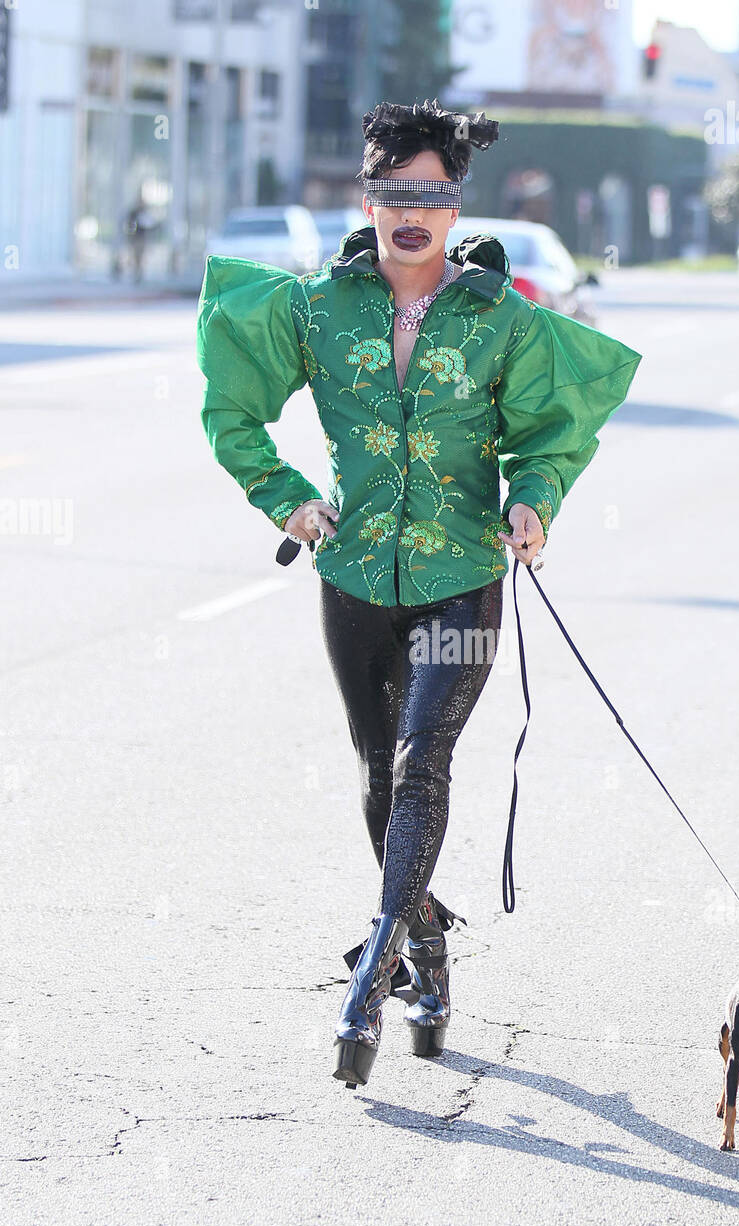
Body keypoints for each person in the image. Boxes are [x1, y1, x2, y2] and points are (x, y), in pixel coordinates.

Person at [195, 99, 641, 1089]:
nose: (410, 211)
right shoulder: (315, 309)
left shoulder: (502, 316)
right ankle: (425, 942)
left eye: (431, 195)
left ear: (453, 203)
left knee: (423, 756)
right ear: (367, 194)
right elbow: (230, 408)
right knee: (377, 779)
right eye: (392, 191)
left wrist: (532, 500)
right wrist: (284, 496)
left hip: (460, 581)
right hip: (353, 581)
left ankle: (372, 981)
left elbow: (548, 437)